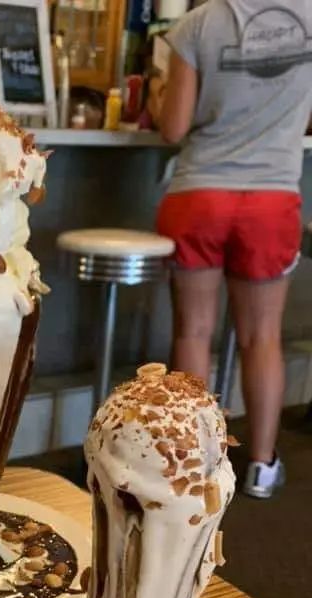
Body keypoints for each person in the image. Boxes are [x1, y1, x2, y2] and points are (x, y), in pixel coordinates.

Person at [153, 0, 312, 498]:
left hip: (198, 194)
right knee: (261, 338)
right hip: (272, 198)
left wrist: (159, 92)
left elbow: (173, 127)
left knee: (194, 331)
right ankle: (262, 468)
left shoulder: (199, 22)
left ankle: (192, 464)